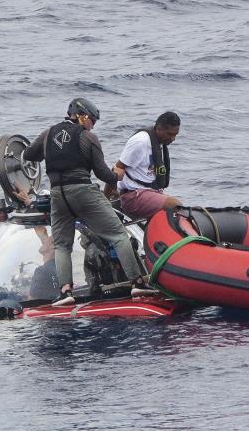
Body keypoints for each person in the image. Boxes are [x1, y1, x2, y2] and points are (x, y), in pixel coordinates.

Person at [21, 98, 151, 306]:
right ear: (83, 116)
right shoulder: (88, 137)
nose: (93, 125)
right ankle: (137, 283)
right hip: (82, 191)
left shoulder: (48, 133)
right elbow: (103, 175)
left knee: (62, 246)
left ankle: (65, 293)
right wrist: (117, 175)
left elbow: (29, 154)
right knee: (118, 235)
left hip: (57, 194)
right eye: (93, 120)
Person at [110, 111, 182, 221]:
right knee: (175, 204)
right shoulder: (141, 141)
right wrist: (107, 198)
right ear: (159, 128)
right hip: (132, 196)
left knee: (181, 209)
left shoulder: (159, 142)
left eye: (175, 135)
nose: (173, 139)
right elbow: (117, 169)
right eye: (170, 134)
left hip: (151, 192)